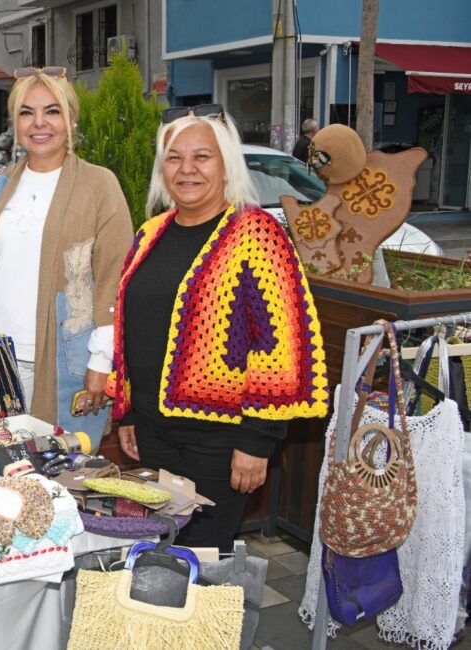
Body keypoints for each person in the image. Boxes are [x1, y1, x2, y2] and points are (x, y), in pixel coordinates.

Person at [110, 105, 329, 551]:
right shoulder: (150, 233)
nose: (186, 168)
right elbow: (132, 330)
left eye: (202, 157)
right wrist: (127, 412)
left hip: (220, 443)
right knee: (164, 550)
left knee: (203, 556)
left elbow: (279, 348)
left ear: (226, 164)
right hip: (152, 433)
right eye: (174, 157)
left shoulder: (258, 235)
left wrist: (258, 441)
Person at [0, 67, 133, 446]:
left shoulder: (99, 185)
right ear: (15, 122)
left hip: (67, 363)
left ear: (71, 118)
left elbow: (114, 278)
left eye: (52, 111)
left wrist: (101, 361)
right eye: (27, 112)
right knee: (3, 467)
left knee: (64, 468)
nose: (39, 122)